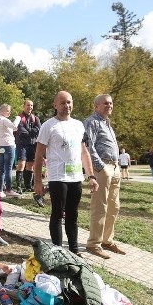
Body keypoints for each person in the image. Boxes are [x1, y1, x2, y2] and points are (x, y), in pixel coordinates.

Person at [33, 91, 99, 255]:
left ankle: (74, 251)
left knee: (73, 215)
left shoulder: (78, 125)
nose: (66, 106)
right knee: (57, 214)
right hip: (57, 177)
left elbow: (84, 152)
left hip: (76, 177)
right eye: (62, 103)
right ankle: (58, 250)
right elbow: (39, 155)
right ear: (55, 105)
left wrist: (91, 176)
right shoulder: (48, 125)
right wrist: (38, 181)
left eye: (69, 102)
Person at [83, 94, 125, 259]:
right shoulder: (91, 122)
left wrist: (116, 168)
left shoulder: (107, 123)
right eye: (105, 103)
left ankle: (107, 240)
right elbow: (88, 146)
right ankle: (94, 243)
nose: (109, 105)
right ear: (96, 106)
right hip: (103, 168)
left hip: (114, 167)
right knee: (100, 207)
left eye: (111, 103)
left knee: (114, 206)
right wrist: (100, 167)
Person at [14, 99, 41, 192]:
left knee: (30, 165)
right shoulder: (19, 117)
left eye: (31, 105)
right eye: (28, 105)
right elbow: (21, 130)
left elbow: (39, 129)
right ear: (24, 106)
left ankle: (28, 186)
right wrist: (32, 131)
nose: (30, 107)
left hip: (32, 144)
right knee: (21, 164)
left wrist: (32, 131)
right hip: (22, 144)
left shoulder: (35, 118)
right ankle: (18, 186)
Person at [0, 103, 18, 197]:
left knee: (2, 169)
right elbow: (15, 127)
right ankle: (9, 189)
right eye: (7, 111)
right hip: (8, 145)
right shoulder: (4, 120)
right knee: (8, 168)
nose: (9, 113)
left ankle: (0, 190)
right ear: (1, 111)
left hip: (0, 146)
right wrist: (18, 119)